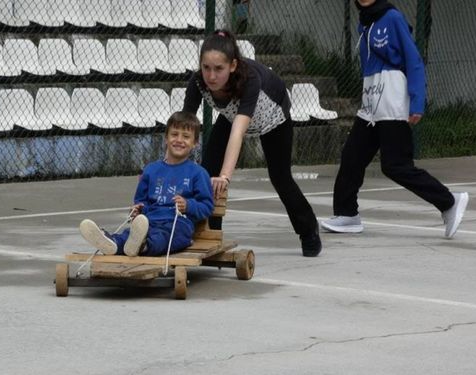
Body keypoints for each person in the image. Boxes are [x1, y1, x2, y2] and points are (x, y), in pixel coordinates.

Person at [320, 0, 469, 238]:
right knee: (352, 157)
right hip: (371, 103)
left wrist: (417, 101)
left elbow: (414, 60)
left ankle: (449, 202)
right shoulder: (365, 23)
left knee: (395, 165)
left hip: (392, 101)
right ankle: (347, 215)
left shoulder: (392, 18)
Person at [182, 29, 322, 257]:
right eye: (206, 68)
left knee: (280, 177)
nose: (212, 76)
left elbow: (238, 133)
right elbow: (183, 127)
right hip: (231, 115)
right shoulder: (198, 82)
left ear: (233, 66)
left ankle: (308, 231)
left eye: (219, 69)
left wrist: (225, 177)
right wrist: (168, 165)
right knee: (207, 172)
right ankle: (210, 235)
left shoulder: (249, 80)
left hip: (273, 119)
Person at [79, 111, 214, 256]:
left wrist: (188, 205)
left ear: (194, 143)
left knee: (165, 237)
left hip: (178, 224)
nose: (179, 140)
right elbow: (142, 201)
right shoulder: (151, 170)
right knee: (129, 233)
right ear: (166, 138)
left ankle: (143, 246)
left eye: (186, 137)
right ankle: (112, 242)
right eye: (174, 134)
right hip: (150, 221)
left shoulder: (198, 173)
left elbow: (207, 206)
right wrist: (138, 210)